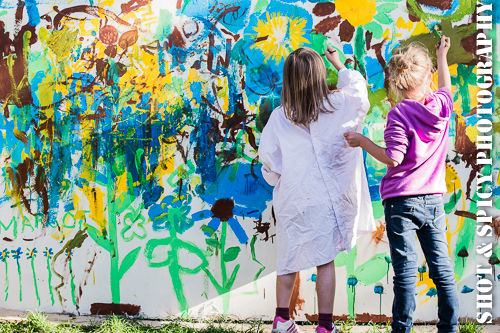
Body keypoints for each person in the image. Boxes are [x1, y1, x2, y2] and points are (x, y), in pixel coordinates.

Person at [344, 35, 459, 333]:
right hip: (433, 201)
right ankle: (450, 328)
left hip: (401, 204)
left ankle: (402, 330)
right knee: (443, 270)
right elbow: (446, 88)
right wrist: (442, 54)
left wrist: (362, 141)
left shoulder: (399, 114)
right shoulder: (441, 107)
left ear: (396, 83)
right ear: (428, 76)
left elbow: (393, 158)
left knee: (405, 274)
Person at [258, 46, 376, 333]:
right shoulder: (337, 105)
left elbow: (269, 162)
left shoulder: (278, 116)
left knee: (288, 259)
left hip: (292, 199)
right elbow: (360, 90)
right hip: (326, 201)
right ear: (320, 76)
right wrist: (339, 63)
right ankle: (324, 326)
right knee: (325, 261)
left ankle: (281, 319)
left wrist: (278, 179)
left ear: (288, 80)